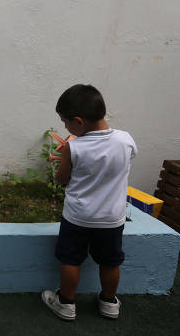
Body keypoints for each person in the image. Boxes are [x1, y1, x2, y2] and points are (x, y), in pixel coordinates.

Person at [42, 84, 137, 321]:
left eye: (65, 122)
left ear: (78, 122)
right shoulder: (125, 140)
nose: (65, 127)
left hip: (78, 218)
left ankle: (66, 303)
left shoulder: (74, 147)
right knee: (110, 262)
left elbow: (62, 179)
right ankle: (108, 303)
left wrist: (65, 154)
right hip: (111, 219)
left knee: (71, 260)